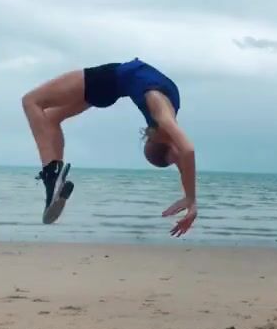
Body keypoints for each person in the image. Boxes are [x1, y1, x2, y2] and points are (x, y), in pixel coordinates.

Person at [21, 58, 197, 236]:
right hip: (109, 90)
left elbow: (188, 151)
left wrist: (190, 198)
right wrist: (191, 202)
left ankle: (51, 174)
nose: (146, 134)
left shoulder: (163, 116)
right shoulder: (169, 130)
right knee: (51, 119)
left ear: (161, 141)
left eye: (148, 139)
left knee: (31, 101)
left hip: (106, 79)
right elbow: (183, 159)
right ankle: (56, 183)